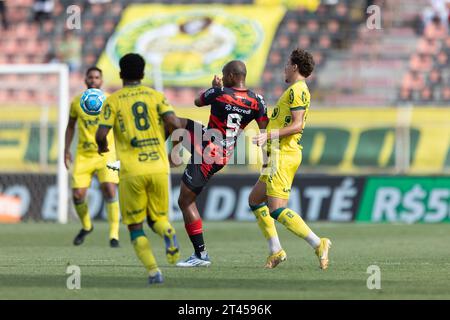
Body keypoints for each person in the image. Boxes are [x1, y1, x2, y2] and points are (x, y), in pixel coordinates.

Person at [96, 53, 182, 284]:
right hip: (158, 167)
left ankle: (154, 272)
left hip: (132, 171)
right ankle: (168, 232)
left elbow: (101, 134)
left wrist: (102, 147)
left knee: (135, 226)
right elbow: (175, 123)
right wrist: (175, 150)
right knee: (158, 219)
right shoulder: (156, 96)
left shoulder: (113, 100)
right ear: (143, 74)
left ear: (121, 74)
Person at [175, 60, 269, 267]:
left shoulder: (219, 93)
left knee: (185, 201)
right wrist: (267, 160)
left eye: (225, 75)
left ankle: (200, 255)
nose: (223, 78)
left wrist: (215, 87)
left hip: (209, 154)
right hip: (221, 151)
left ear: (232, 76)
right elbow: (265, 130)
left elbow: (197, 102)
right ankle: (170, 161)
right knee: (176, 123)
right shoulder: (257, 101)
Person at [248, 48, 332, 269]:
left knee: (276, 208)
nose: (284, 67)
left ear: (295, 66)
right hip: (275, 153)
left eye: (287, 64)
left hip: (284, 154)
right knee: (255, 200)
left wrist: (269, 134)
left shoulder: (298, 90)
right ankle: (276, 250)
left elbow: (297, 125)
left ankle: (318, 243)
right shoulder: (293, 91)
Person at [64, 67, 120, 248]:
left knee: (109, 189)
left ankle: (114, 235)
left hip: (107, 153)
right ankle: (87, 226)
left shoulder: (111, 100)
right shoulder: (77, 102)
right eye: (91, 77)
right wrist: (66, 149)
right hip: (84, 154)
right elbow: (70, 126)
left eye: (97, 77)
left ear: (101, 81)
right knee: (77, 195)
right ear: (85, 80)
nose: (94, 80)